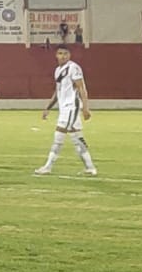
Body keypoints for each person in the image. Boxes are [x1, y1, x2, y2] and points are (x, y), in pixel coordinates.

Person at [35, 46, 96, 176]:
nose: (63, 56)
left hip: (71, 107)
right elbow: (58, 92)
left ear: (70, 55)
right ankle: (90, 168)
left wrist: (85, 107)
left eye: (65, 53)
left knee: (59, 136)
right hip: (64, 109)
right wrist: (48, 107)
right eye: (60, 53)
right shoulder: (58, 70)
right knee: (77, 137)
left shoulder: (73, 68)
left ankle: (48, 167)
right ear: (56, 55)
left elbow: (81, 87)